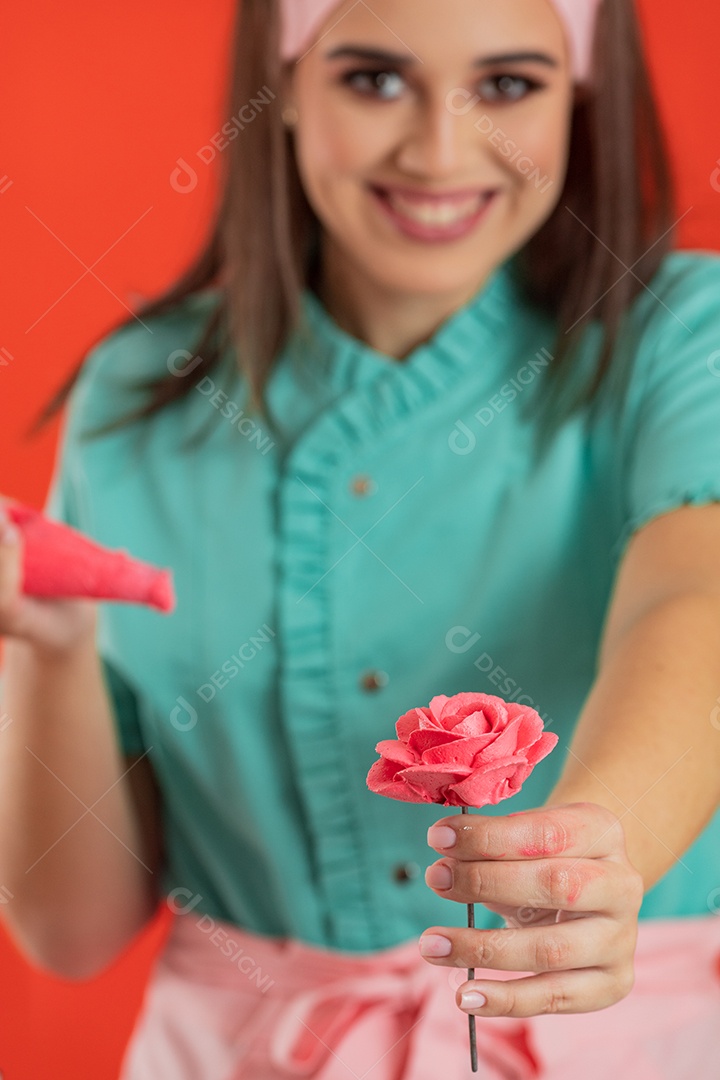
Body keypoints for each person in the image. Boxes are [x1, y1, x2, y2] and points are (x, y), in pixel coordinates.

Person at [2, 0, 720, 1076]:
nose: (439, 150)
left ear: (580, 95)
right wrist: (46, 650)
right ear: (284, 84)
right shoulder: (137, 397)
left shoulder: (679, 339)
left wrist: (584, 859)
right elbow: (71, 934)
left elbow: (692, 597)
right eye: (375, 81)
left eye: (509, 85)